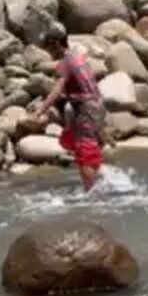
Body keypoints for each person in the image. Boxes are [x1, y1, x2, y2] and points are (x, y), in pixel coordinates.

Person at [29, 30, 106, 192]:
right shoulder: (78, 58)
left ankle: (91, 194)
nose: (48, 53)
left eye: (48, 48)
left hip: (85, 110)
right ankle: (98, 184)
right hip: (97, 106)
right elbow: (82, 86)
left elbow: (57, 90)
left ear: (56, 45)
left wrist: (40, 111)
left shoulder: (64, 64)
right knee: (89, 147)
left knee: (84, 152)